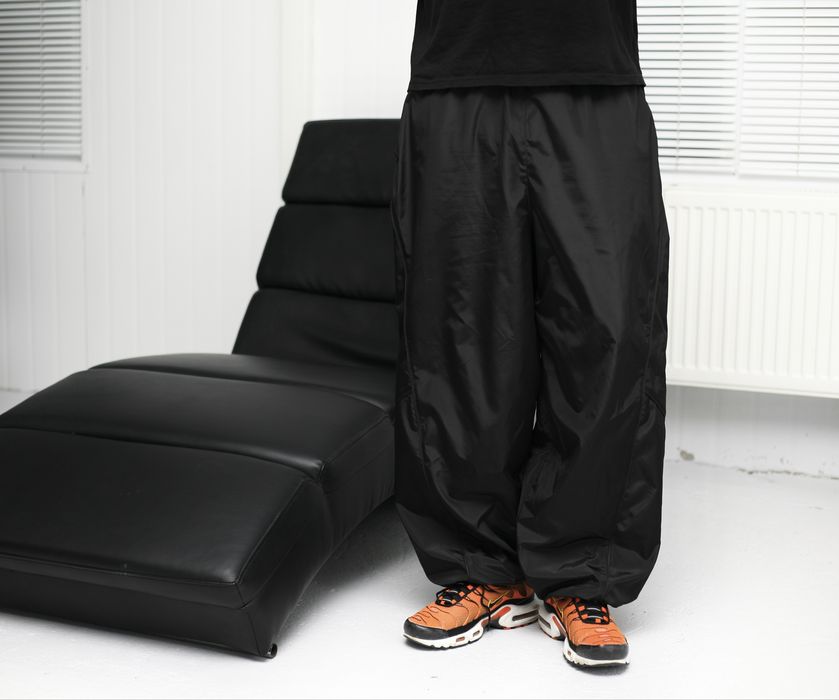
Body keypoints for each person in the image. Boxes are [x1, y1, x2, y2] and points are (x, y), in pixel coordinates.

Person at [390, 0, 670, 668]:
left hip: (593, 83)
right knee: (458, 342)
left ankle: (582, 573)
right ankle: (479, 566)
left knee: (606, 338)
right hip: (457, 78)